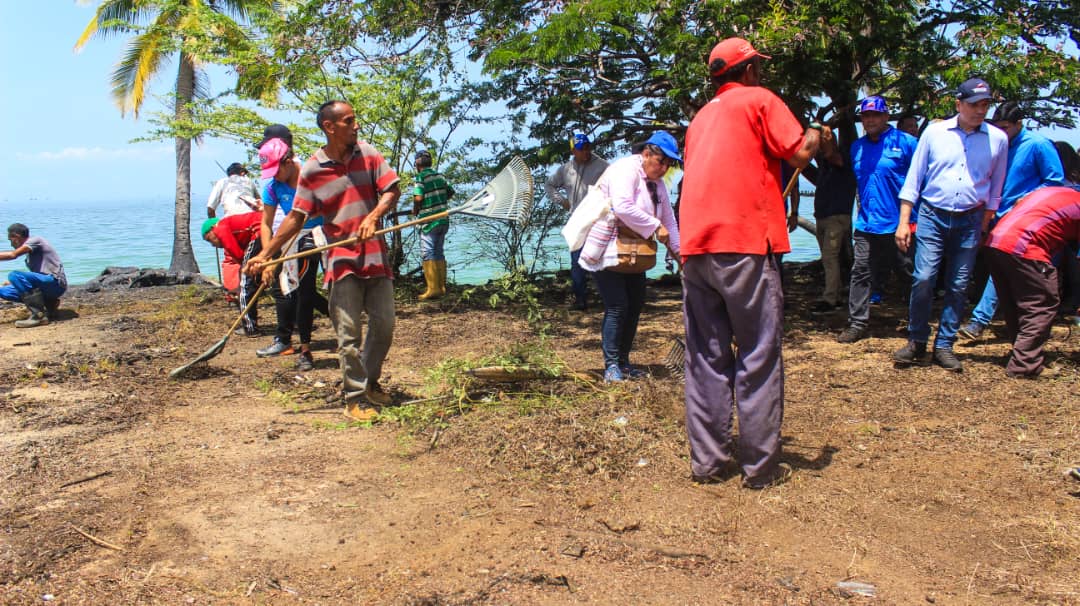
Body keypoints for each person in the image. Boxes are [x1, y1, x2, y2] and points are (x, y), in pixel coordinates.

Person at [680, 37, 823, 489]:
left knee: (705, 356)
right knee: (759, 353)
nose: (760, 73)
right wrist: (818, 134)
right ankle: (759, 469)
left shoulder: (700, 118)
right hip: (743, 246)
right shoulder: (760, 100)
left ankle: (707, 463)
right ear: (748, 71)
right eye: (757, 67)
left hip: (697, 250)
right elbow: (799, 152)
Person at [246, 100, 402, 423]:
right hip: (342, 260)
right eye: (349, 121)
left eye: (355, 119)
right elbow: (296, 218)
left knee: (384, 326)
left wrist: (373, 216)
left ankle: (370, 381)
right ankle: (355, 397)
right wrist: (266, 254)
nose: (356, 125)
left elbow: (392, 189)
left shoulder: (368, 154)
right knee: (348, 336)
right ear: (329, 127)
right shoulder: (314, 171)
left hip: (376, 257)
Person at [893, 77, 1009, 372]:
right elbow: (914, 180)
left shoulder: (998, 139)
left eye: (985, 105)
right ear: (959, 104)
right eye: (973, 105)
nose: (979, 110)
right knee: (923, 278)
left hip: (970, 218)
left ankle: (944, 345)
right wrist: (904, 222)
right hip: (932, 214)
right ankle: (917, 340)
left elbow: (996, 189)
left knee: (958, 285)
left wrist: (984, 223)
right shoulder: (935, 133)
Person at [578, 132, 681, 382]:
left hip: (635, 254)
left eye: (670, 164)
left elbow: (669, 219)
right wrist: (656, 227)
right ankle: (611, 365)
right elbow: (623, 206)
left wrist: (681, 255)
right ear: (646, 154)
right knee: (617, 306)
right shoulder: (625, 169)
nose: (665, 167)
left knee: (634, 306)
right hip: (609, 249)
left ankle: (624, 363)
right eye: (662, 161)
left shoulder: (657, 182)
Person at [959, 102, 1064, 340]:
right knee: (998, 270)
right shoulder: (998, 144)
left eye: (1005, 127)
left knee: (1004, 269)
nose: (1001, 131)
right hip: (995, 216)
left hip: (1026, 221)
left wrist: (1026, 199)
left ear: (1019, 124)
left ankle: (979, 320)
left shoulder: (1038, 145)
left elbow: (1055, 182)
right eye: (997, 127)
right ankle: (1017, 324)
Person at [837, 96, 919, 343]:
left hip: (900, 224)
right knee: (860, 271)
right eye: (866, 116)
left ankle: (917, 323)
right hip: (866, 223)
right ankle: (857, 323)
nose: (870, 120)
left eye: (875, 115)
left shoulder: (907, 143)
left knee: (907, 272)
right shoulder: (857, 147)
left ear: (886, 117)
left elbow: (921, 181)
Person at [983, 186, 1079, 378]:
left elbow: (1020, 202)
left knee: (1015, 303)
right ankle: (1024, 364)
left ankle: (1021, 352)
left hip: (996, 242)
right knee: (1042, 304)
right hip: (1025, 246)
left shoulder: (1056, 192)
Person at [254, 137, 327, 372]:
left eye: (276, 170)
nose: (274, 176)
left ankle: (320, 344)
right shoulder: (273, 187)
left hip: (322, 233)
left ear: (288, 161)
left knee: (314, 289)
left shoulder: (311, 177)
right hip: (293, 237)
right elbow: (266, 224)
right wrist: (266, 259)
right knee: (297, 290)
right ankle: (304, 347)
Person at [546, 133, 609, 310]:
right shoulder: (566, 169)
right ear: (573, 150)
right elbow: (549, 185)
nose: (586, 152)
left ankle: (607, 298)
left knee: (600, 258)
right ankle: (580, 299)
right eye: (581, 149)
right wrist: (562, 201)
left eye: (588, 147)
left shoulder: (603, 166)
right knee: (577, 260)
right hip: (576, 222)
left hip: (598, 220)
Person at [810, 131, 856, 313]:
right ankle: (835, 295)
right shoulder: (824, 165)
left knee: (830, 258)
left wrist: (818, 135)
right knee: (829, 259)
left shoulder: (842, 157)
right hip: (822, 216)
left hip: (837, 217)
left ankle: (830, 299)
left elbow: (831, 155)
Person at [202, 212, 263, 336]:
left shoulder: (220, 228)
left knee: (245, 283)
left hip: (259, 232)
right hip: (266, 229)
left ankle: (250, 327)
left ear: (212, 229)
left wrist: (242, 282)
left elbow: (238, 256)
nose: (213, 245)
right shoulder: (229, 227)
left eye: (210, 239)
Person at [0, 223, 67, 328]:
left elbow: (13, 255)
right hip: (45, 285)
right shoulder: (30, 254)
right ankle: (49, 303)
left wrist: (15, 279)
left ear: (16, 236)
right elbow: (34, 278)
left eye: (10, 240)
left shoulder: (36, 240)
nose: (11, 244)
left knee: (14, 275)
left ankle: (38, 316)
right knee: (4, 290)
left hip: (55, 283)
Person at [412, 149, 455, 300]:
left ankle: (433, 289)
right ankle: (442, 287)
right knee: (438, 252)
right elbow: (450, 192)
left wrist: (415, 211)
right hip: (443, 219)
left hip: (429, 222)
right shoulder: (439, 176)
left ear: (417, 164)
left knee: (428, 252)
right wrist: (439, 201)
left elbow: (418, 198)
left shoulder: (421, 177)